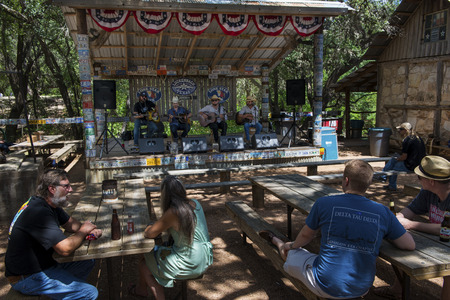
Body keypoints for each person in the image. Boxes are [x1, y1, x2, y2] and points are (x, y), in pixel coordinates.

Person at [259, 159, 415, 299]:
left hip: (325, 284)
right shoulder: (383, 212)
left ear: (346, 181)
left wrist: (292, 245)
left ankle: (278, 242)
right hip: (362, 287)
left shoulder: (324, 203)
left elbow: (306, 235)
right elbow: (409, 245)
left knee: (291, 252)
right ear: (368, 183)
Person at [4, 168, 102, 299]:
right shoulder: (39, 212)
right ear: (52, 189)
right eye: (66, 186)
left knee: (87, 260)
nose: (71, 190)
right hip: (27, 277)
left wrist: (89, 228)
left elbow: (69, 224)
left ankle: (66, 292)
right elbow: (64, 249)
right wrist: (84, 231)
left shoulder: (49, 204)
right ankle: (71, 292)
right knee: (89, 293)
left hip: (43, 266)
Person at [375, 155, 450, 300]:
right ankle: (398, 290)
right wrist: (398, 219)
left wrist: (412, 224)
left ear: (431, 181)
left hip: (444, 243)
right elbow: (409, 211)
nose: (417, 179)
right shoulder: (428, 192)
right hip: (438, 241)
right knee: (404, 247)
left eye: (420, 177)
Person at [129, 175, 213, 300]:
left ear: (165, 195)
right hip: (205, 258)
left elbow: (150, 234)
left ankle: (146, 291)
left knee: (144, 263)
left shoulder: (174, 212)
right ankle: (141, 290)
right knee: (151, 255)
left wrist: (148, 228)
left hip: (189, 262)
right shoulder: (195, 203)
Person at [381, 122, 426, 191]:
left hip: (410, 166)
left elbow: (404, 157)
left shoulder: (407, 140)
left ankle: (384, 177)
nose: (399, 131)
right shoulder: (418, 138)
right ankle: (383, 176)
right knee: (393, 160)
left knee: (393, 166)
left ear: (405, 130)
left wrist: (398, 159)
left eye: (401, 129)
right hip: (420, 164)